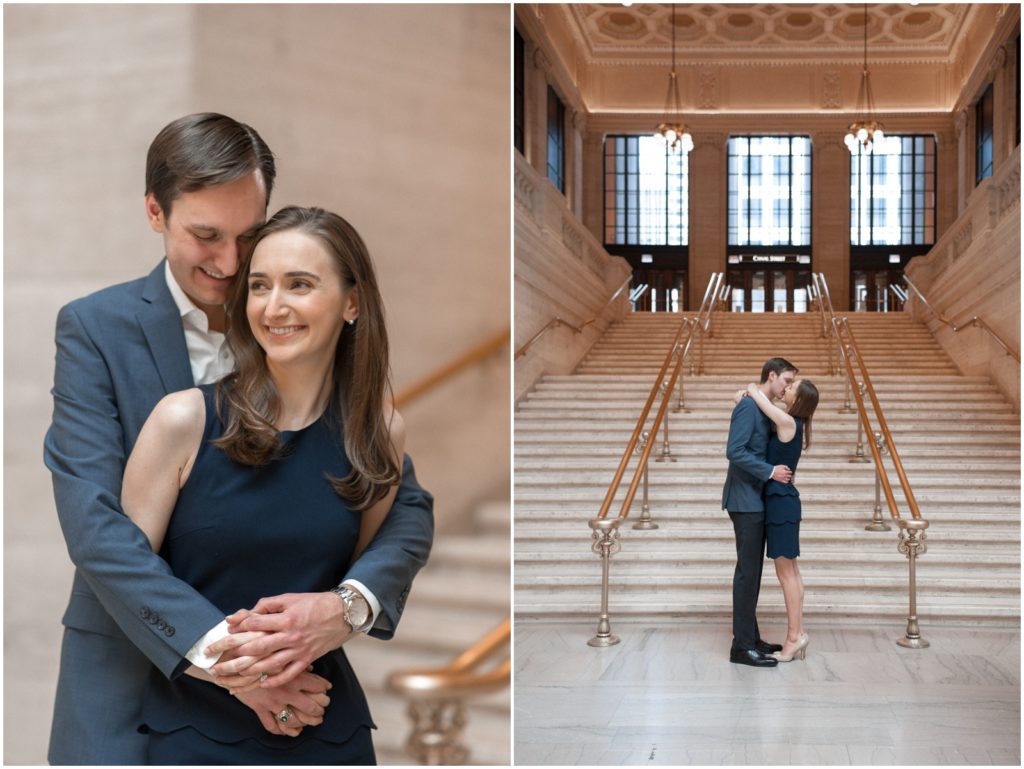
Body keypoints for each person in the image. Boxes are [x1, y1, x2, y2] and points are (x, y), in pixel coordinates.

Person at [44, 113, 433, 764]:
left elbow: (406, 506)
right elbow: (96, 526)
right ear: (154, 212)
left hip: (298, 694)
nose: (229, 264)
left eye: (248, 237)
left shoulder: (297, 331)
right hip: (128, 692)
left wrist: (348, 606)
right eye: (205, 236)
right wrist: (234, 661)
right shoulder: (94, 329)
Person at [122, 205, 396, 762]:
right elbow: (127, 583)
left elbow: (364, 566)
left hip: (324, 721)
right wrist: (241, 674)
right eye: (259, 286)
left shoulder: (380, 431)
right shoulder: (183, 419)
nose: (274, 307)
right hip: (196, 725)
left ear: (352, 302)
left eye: (300, 285)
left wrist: (339, 617)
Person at [721, 357, 796, 668]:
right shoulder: (750, 406)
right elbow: (734, 451)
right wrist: (769, 471)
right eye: (787, 381)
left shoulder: (760, 403)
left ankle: (751, 638)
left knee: (753, 574)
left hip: (757, 500)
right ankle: (741, 646)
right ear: (772, 375)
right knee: (747, 574)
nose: (788, 387)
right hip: (744, 500)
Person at [741, 378, 819, 663]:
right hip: (783, 501)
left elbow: (760, 400)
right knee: (792, 574)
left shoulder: (787, 422)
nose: (786, 388)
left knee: (787, 575)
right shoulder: (792, 423)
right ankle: (797, 634)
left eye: (792, 387)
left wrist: (752, 387)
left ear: (799, 399)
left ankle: (793, 638)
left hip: (780, 503)